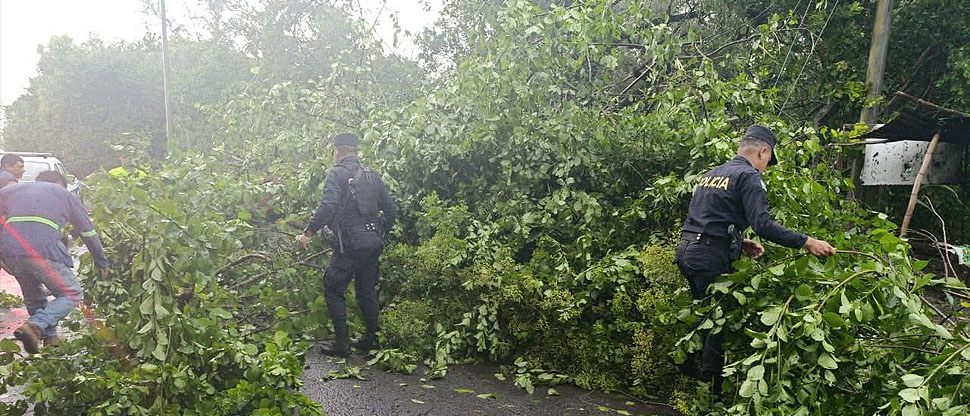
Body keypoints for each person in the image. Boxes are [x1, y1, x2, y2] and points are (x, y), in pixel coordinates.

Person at [675, 124, 836, 395]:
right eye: (767, 163)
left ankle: (689, 371)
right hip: (709, 257)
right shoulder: (749, 176)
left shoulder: (713, 173)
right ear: (763, 152)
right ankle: (710, 392)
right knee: (719, 320)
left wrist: (740, 241)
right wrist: (807, 242)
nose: (765, 170)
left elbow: (708, 218)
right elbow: (762, 224)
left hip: (687, 251)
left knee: (705, 314)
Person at [297, 133, 397, 357]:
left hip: (348, 245)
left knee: (333, 289)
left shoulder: (337, 174)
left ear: (338, 151)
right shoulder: (373, 176)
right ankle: (372, 339)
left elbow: (327, 207)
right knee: (366, 291)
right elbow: (391, 211)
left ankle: (342, 344)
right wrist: (381, 233)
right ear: (356, 151)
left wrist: (308, 232)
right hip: (372, 244)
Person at [0, 170, 109, 353]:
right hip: (42, 250)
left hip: (11, 251)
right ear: (61, 184)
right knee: (71, 293)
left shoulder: (13, 190)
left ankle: (49, 339)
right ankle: (35, 325)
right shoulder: (64, 194)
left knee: (34, 295)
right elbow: (88, 232)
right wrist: (101, 262)